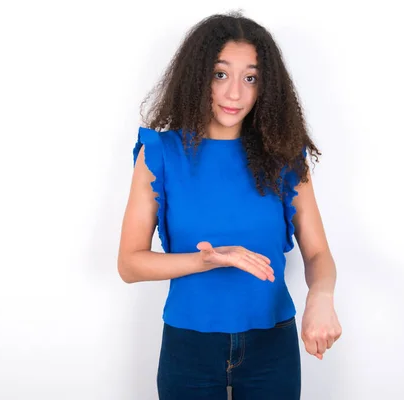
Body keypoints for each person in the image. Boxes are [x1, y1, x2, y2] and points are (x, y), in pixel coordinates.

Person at [117, 11, 341, 400]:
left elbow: (318, 252)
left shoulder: (284, 158)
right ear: (197, 76)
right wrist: (208, 259)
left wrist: (320, 299)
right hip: (190, 348)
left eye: (250, 78)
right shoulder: (161, 154)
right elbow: (130, 264)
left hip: (273, 346)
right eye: (220, 74)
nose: (235, 93)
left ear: (265, 87)